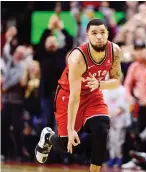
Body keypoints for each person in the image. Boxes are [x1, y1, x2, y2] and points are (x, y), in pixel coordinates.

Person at [35, 19, 122, 172]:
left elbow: (116, 81)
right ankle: (49, 137)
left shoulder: (114, 51)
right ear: (88, 36)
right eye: (94, 33)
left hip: (93, 93)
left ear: (108, 34)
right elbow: (75, 97)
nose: (99, 36)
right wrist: (70, 129)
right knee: (67, 143)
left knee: (102, 128)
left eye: (102, 32)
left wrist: (100, 84)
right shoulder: (77, 58)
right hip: (68, 95)